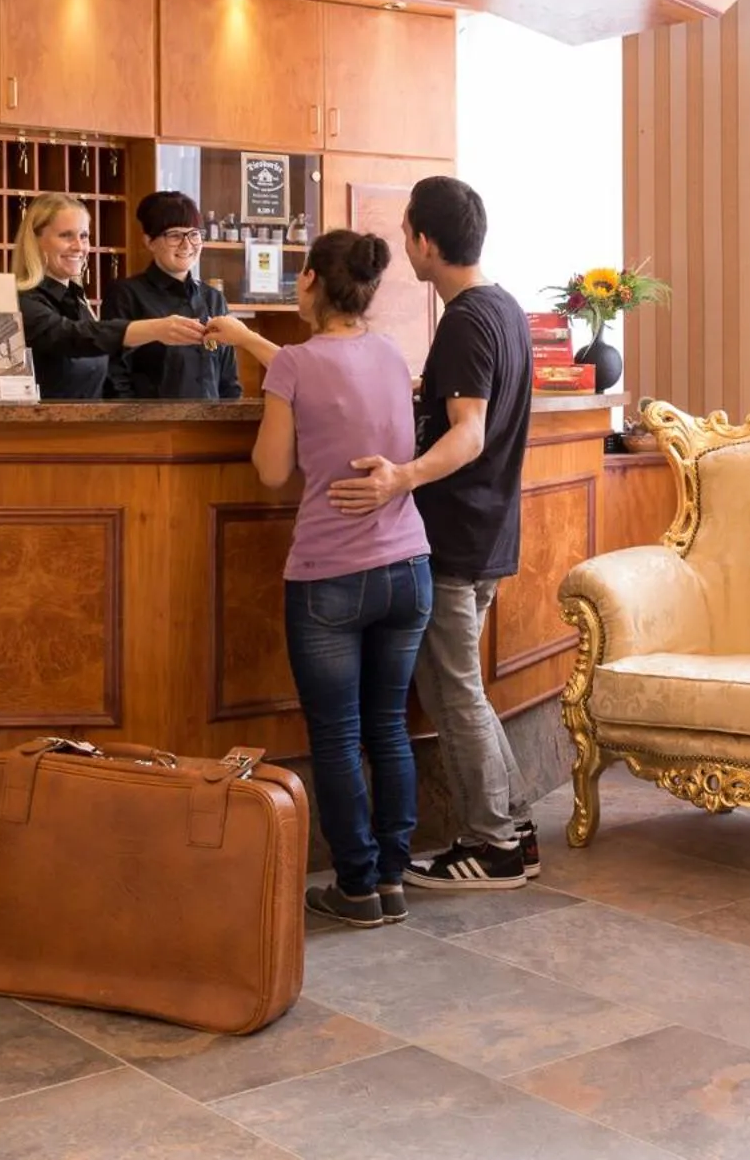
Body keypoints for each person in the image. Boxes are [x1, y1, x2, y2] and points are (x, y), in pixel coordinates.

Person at [208, 230, 432, 928]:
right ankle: (392, 877)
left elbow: (272, 469)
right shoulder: (392, 354)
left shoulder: (297, 368)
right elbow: (321, 373)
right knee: (388, 727)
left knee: (337, 737)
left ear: (306, 281)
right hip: (408, 567)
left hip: (330, 577)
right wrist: (249, 341)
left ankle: (355, 885)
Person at [328, 177, 537, 890]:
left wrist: (402, 476)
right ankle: (513, 825)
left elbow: (469, 434)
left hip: (458, 534)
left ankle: (493, 840)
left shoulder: (467, 320)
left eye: (407, 231)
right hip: (488, 532)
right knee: (463, 687)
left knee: (455, 693)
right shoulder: (503, 308)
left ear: (423, 241)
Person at [13, 194, 207, 399]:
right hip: (41, 429)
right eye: (66, 235)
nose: (79, 246)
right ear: (35, 241)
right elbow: (71, 336)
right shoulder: (22, 302)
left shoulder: (78, 302)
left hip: (89, 428)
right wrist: (155, 329)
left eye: (84, 236)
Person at [101, 191, 242, 400]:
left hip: (212, 425)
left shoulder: (213, 298)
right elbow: (114, 376)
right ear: (149, 241)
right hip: (151, 427)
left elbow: (228, 379)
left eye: (194, 234)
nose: (187, 245)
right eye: (175, 235)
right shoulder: (125, 294)